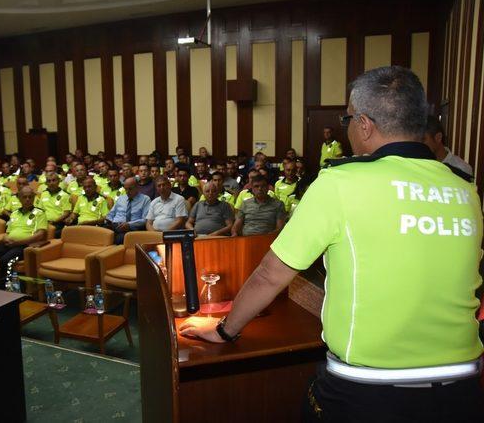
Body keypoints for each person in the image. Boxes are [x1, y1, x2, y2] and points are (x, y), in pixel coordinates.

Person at [179, 66, 484, 422]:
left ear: (365, 125)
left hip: (368, 388)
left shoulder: (341, 182)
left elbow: (270, 275)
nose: (348, 127)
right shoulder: (464, 189)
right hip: (462, 388)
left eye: (348, 119)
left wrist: (224, 330)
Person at [0, 186, 47, 286]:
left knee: (5, 260)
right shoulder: (14, 213)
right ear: (19, 198)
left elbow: (40, 234)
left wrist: (18, 242)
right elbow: (7, 232)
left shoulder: (39, 213)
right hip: (8, 244)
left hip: (24, 247)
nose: (27, 199)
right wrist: (5, 238)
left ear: (34, 198)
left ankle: (5, 287)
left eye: (30, 197)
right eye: (24, 197)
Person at [105, 177, 151, 244]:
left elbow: (145, 220)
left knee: (119, 239)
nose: (127, 192)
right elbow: (110, 214)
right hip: (115, 225)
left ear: (137, 187)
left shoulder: (145, 199)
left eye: (130, 189)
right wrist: (111, 221)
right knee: (100, 233)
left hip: (131, 228)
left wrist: (129, 224)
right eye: (126, 189)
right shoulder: (121, 198)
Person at [36, 172, 71, 238]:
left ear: (58, 181)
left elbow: (66, 213)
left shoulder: (65, 195)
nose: (51, 183)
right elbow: (40, 210)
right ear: (46, 183)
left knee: (45, 235)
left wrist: (53, 221)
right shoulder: (44, 194)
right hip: (43, 222)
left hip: (58, 223)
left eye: (54, 180)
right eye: (49, 181)